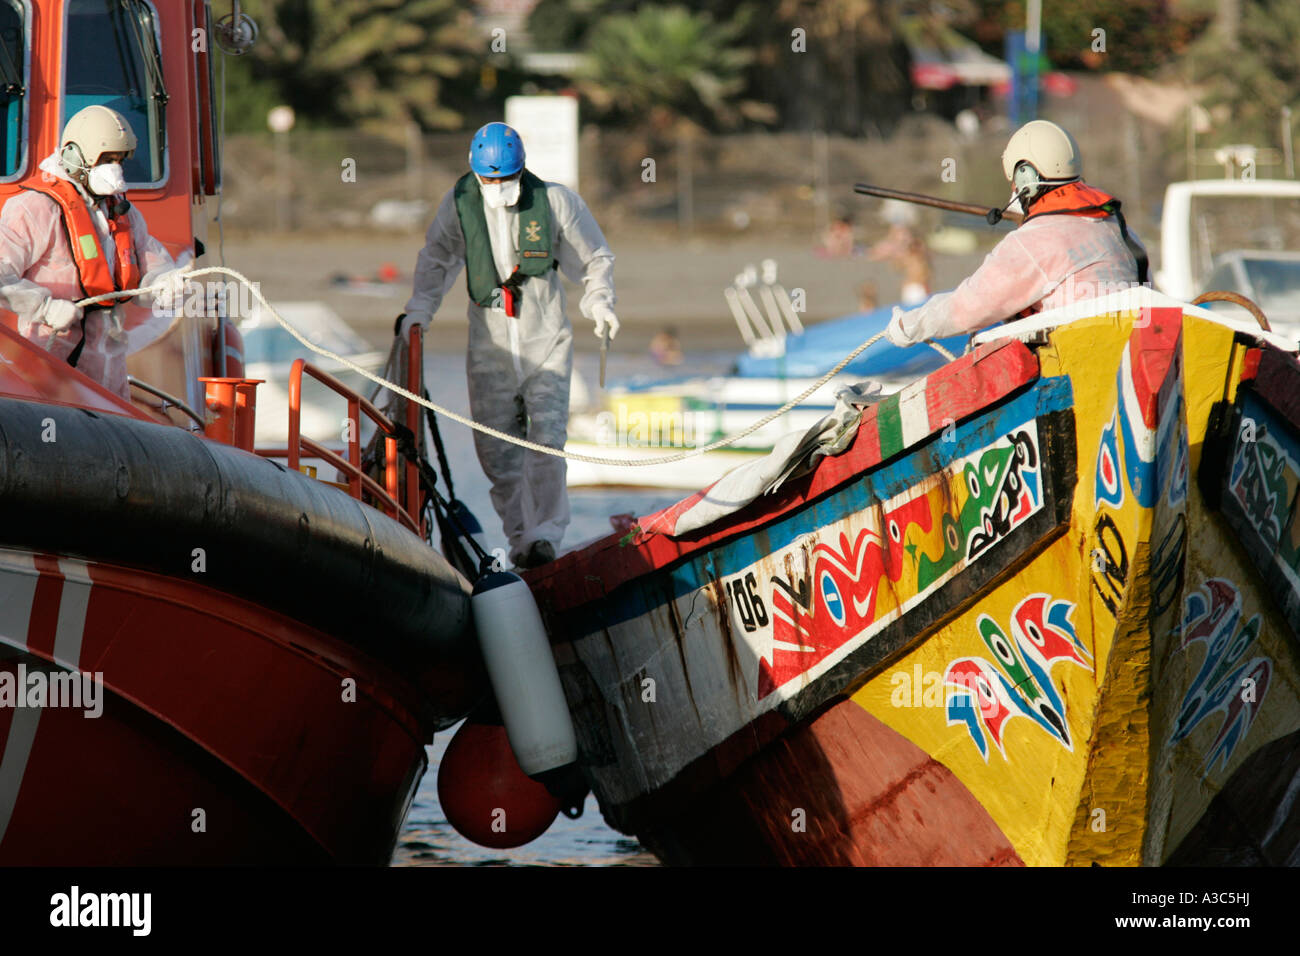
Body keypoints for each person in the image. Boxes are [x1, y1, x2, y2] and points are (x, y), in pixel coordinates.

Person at [399, 122, 617, 569]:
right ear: (475, 173)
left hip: (547, 341)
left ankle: (547, 535)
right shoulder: (458, 205)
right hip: (490, 348)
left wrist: (600, 302)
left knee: (547, 439)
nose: (498, 187)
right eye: (489, 180)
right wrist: (420, 307)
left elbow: (595, 258)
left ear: (522, 169)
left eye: (506, 178)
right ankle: (522, 541)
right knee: (498, 451)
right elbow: (436, 258)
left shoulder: (556, 201)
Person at [886, 119, 1147, 347]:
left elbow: (968, 307)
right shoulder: (1119, 225)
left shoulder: (1036, 240)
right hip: (1130, 353)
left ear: (1025, 177)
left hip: (1078, 364)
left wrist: (907, 326)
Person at [0, 105, 191, 399]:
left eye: (119, 160)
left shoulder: (122, 213)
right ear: (77, 156)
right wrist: (46, 308)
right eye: (106, 159)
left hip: (109, 371)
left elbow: (151, 267)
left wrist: (166, 284)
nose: (114, 168)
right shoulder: (34, 210)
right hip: (50, 366)